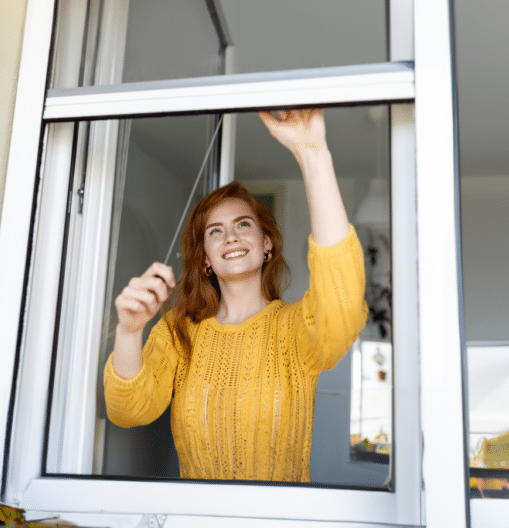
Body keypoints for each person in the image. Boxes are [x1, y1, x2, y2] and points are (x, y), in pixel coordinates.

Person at [104, 108, 368, 482]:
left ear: (265, 246)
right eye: (215, 231)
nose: (230, 236)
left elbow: (342, 300)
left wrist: (313, 154)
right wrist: (128, 332)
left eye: (243, 224)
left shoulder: (295, 330)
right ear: (206, 259)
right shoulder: (178, 332)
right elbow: (129, 411)